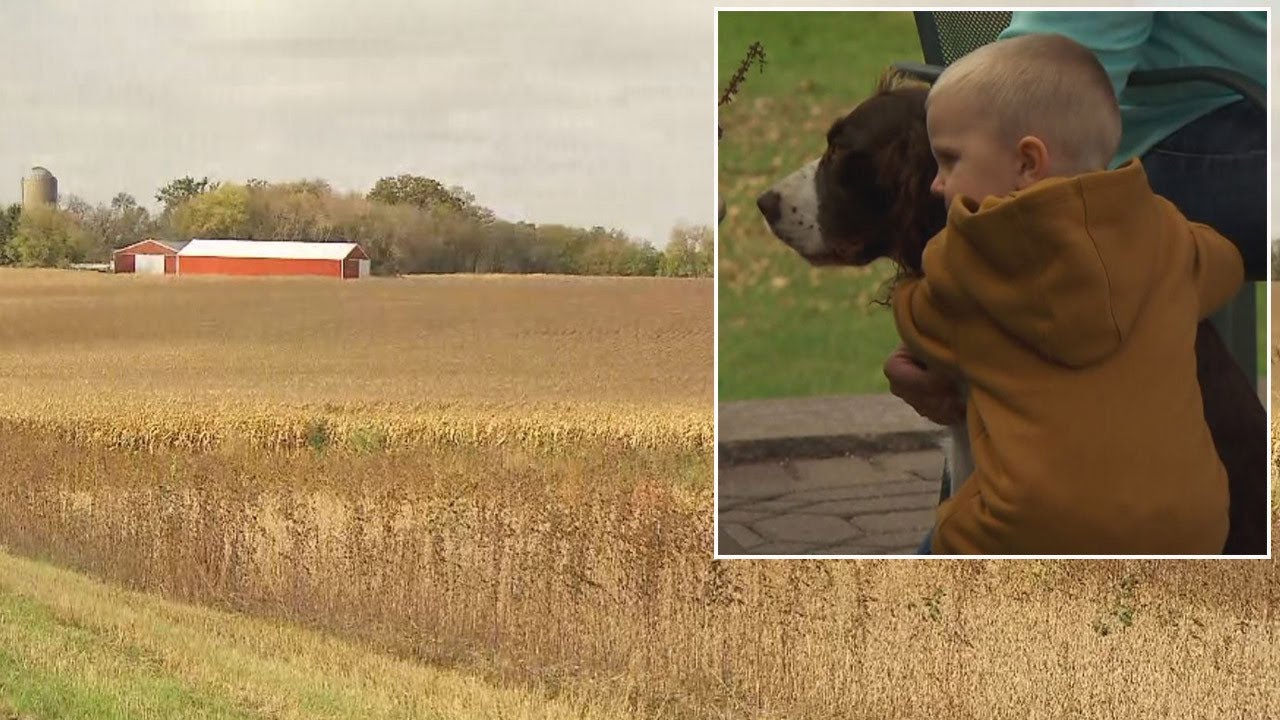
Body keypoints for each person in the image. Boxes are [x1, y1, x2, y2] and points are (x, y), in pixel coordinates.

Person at [886, 11, 1266, 550]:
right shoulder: (1171, 241)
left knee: (942, 569)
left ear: (1027, 163)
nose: (935, 183)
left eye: (948, 161)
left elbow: (919, 321)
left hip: (1023, 527)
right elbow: (1221, 263)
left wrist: (913, 302)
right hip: (1195, 527)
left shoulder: (959, 267)